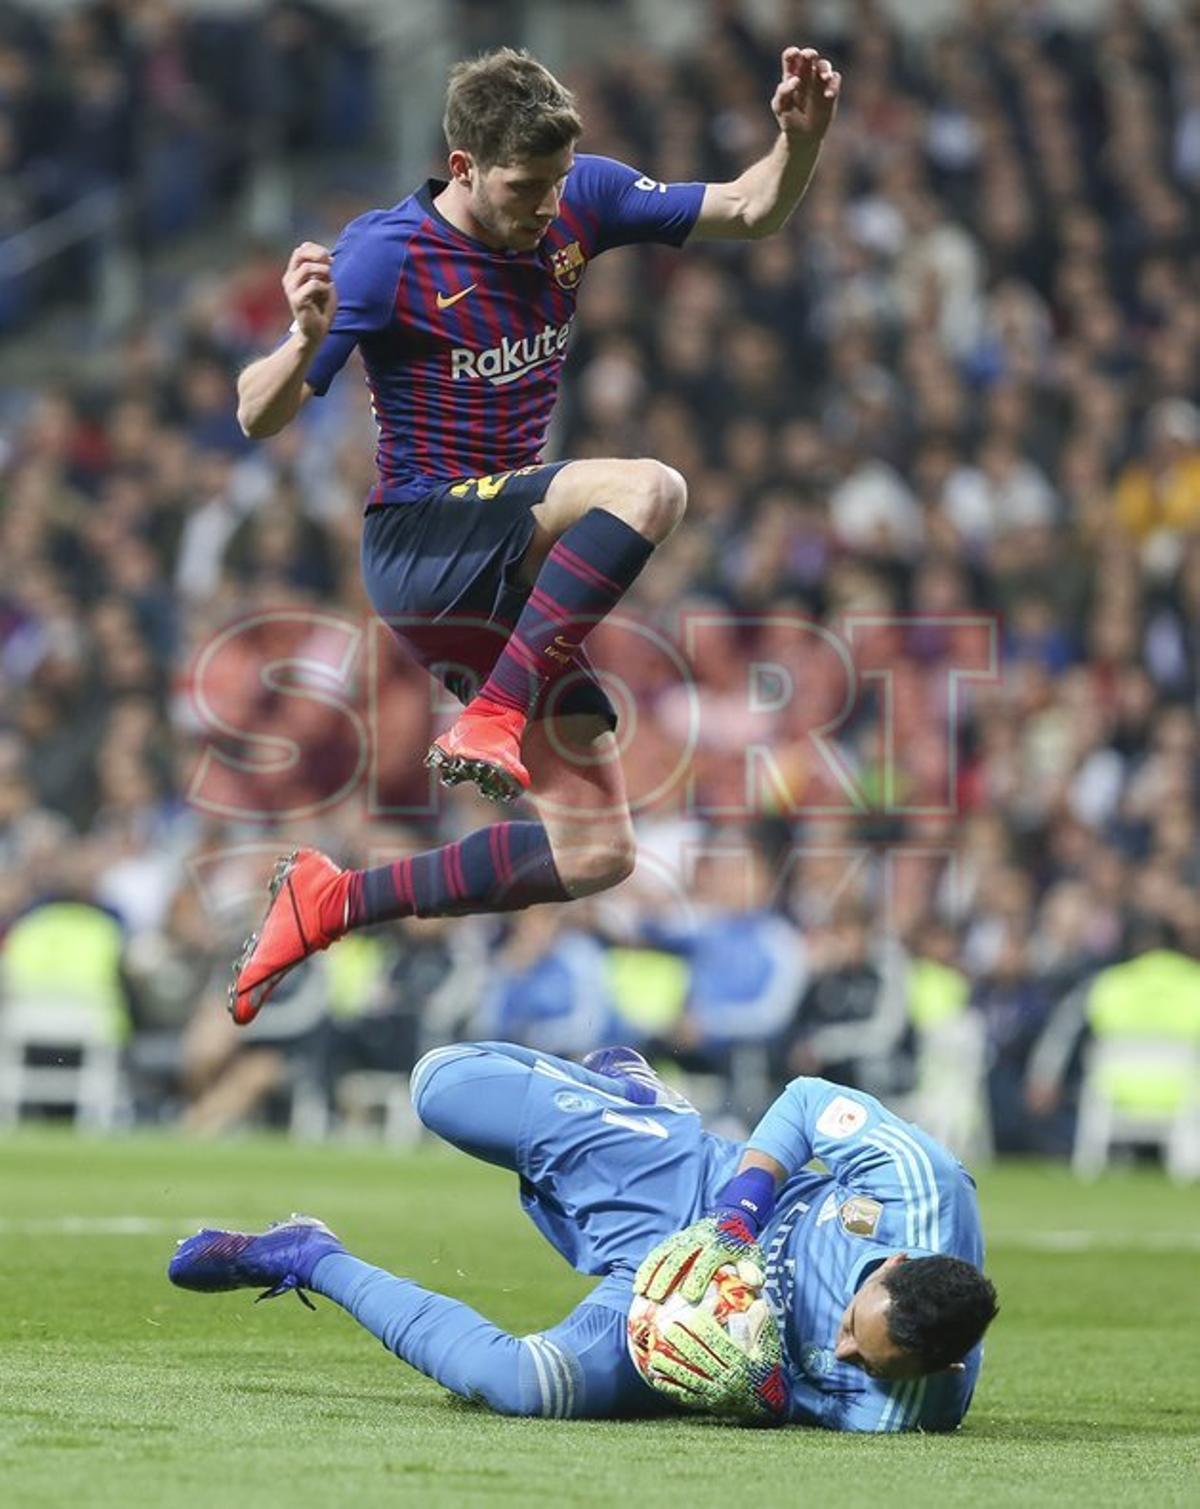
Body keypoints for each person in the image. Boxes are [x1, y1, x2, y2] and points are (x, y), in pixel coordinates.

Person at [226, 44, 841, 1024]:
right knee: (648, 488)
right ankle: (495, 715)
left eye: (557, 182)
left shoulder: (579, 197)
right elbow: (258, 414)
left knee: (597, 853)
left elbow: (752, 208)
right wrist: (303, 338)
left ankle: (332, 900)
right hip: (425, 542)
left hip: (506, 571)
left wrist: (798, 143)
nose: (548, 206)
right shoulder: (387, 254)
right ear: (463, 167)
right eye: (525, 188)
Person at [168, 1042, 998, 1430]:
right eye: (853, 1323)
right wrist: (741, 1212)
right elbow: (808, 1100)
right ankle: (639, 1099)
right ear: (895, 1260)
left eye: (865, 1360)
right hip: (698, 1189)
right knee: (439, 1085)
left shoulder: (903, 1407)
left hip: (674, 1321)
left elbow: (797, 1398)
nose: (846, 1352)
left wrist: (763, 1395)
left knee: (517, 1384)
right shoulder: (923, 1185)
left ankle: (307, 1254)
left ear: (944, 1368)